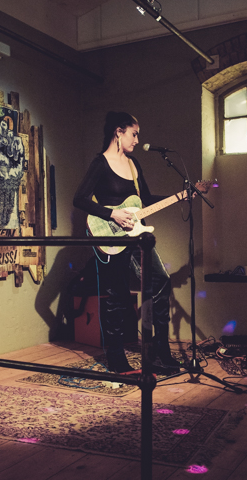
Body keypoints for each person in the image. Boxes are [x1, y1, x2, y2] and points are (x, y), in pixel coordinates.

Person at [73, 111, 181, 373]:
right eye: (134, 134)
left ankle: (160, 352)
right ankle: (116, 357)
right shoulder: (100, 163)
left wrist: (179, 196)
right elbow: (79, 199)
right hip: (110, 236)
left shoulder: (134, 165)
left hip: (136, 237)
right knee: (117, 295)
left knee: (161, 282)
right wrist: (112, 214)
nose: (137, 140)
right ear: (118, 132)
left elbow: (145, 200)